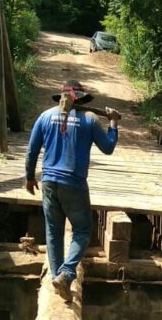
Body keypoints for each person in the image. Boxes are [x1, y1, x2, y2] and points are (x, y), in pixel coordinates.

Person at [25, 79, 120, 302]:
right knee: (83, 230)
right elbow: (108, 148)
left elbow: (31, 151)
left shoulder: (45, 116)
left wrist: (30, 177)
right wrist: (114, 123)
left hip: (48, 182)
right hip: (74, 184)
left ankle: (58, 278)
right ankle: (66, 275)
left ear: (62, 98)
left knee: (53, 231)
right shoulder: (90, 119)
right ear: (83, 100)